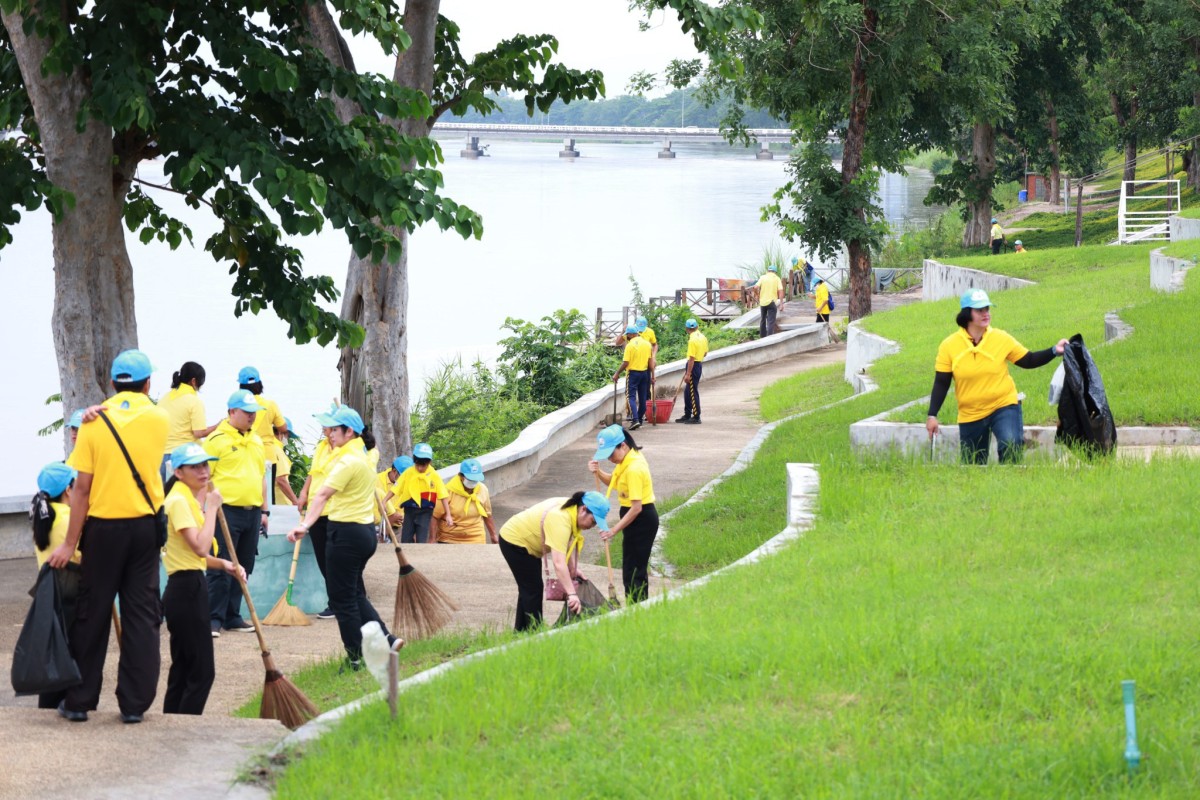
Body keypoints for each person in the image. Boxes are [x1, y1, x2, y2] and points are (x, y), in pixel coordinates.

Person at [48, 349, 169, 724]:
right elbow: (141, 416)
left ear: (113, 382)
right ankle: (134, 705)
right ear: (148, 383)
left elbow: (80, 489)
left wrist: (70, 542)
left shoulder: (94, 423)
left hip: (102, 530)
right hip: (145, 529)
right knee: (141, 614)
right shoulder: (160, 419)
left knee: (92, 613)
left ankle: (80, 701)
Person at [287, 406, 403, 669]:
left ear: (349, 432)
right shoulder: (367, 455)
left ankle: (355, 657)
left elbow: (322, 495)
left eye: (334, 429)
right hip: (364, 534)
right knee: (353, 593)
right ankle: (387, 638)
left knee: (342, 600)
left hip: (345, 534)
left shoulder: (347, 461)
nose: (329, 434)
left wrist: (304, 525)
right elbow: (370, 448)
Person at [926, 289, 1068, 465]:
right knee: (973, 466)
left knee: (1010, 444)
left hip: (1003, 405)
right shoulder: (949, 345)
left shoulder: (1001, 338)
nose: (986, 314)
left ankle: (1011, 486)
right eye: (980, 310)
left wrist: (1054, 350)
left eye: (987, 309)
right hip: (971, 412)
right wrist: (932, 415)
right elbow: (942, 382)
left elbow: (1028, 360)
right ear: (967, 314)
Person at [161, 443, 243, 715]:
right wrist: (210, 508)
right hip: (185, 591)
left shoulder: (185, 499)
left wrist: (226, 565)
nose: (203, 471)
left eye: (205, 465)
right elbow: (199, 546)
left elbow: (198, 556)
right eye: (195, 466)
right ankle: (185, 727)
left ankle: (172, 724)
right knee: (202, 672)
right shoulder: (178, 501)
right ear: (179, 472)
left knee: (184, 668)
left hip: (190, 585)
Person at [202, 389, 268, 636]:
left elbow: (261, 477)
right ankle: (213, 618)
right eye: (247, 412)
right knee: (221, 566)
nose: (252, 417)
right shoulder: (216, 439)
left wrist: (265, 511)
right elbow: (203, 476)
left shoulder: (257, 440)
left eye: (254, 413)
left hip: (251, 512)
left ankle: (232, 615)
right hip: (224, 511)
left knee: (244, 565)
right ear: (231, 412)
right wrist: (203, 510)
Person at [497, 491, 610, 631]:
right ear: (583, 509)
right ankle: (535, 634)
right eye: (593, 521)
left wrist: (573, 569)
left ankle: (521, 631)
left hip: (527, 542)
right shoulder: (560, 519)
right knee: (533, 588)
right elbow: (558, 563)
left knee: (529, 588)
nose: (592, 526)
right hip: (514, 541)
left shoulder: (572, 510)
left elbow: (567, 542)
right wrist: (572, 594)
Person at [30, 461, 81, 710]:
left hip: (48, 592)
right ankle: (68, 704)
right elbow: (83, 555)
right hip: (71, 592)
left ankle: (48, 708)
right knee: (72, 652)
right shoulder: (70, 518)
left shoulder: (43, 517)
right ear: (69, 490)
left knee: (54, 652)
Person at [588, 425, 658, 602]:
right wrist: (598, 472)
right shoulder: (625, 461)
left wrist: (612, 531)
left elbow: (636, 508)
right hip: (632, 516)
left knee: (635, 570)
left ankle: (638, 609)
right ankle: (635, 606)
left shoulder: (634, 468)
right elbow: (614, 481)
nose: (610, 458)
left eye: (612, 453)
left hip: (641, 520)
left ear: (623, 445)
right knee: (630, 567)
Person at [297, 422, 337, 619]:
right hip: (316, 511)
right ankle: (334, 601)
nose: (324, 430)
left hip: (334, 510)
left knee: (336, 559)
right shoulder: (321, 447)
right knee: (323, 559)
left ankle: (349, 599)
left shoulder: (344, 451)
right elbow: (313, 473)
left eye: (328, 427)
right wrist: (304, 492)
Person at [158, 361, 218, 480]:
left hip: (161, 456)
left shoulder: (165, 398)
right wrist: (218, 426)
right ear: (194, 381)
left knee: (166, 497)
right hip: (183, 458)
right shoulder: (193, 401)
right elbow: (199, 433)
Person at [238, 366, 286, 493]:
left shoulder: (237, 406)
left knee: (248, 492)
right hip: (267, 455)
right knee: (268, 495)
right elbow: (283, 427)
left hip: (246, 454)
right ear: (259, 384)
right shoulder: (270, 405)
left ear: (241, 387)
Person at [393, 443, 452, 543]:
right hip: (409, 510)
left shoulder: (434, 475)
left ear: (429, 463)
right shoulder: (408, 472)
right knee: (406, 539)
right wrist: (384, 500)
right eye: (417, 465)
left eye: (423, 465)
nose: (420, 468)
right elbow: (396, 487)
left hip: (425, 511)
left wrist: (448, 514)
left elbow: (443, 495)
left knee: (421, 538)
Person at [433, 458, 498, 544]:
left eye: (475, 480)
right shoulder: (447, 491)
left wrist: (493, 535)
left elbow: (487, 515)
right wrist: (432, 539)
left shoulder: (483, 490)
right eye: (470, 479)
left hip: (476, 535)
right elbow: (435, 516)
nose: (473, 482)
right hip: (450, 537)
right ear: (461, 476)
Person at [613, 324, 652, 429]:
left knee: (630, 397)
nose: (627, 337)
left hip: (633, 374)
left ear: (631, 334)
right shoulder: (647, 344)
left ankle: (635, 420)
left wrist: (617, 373)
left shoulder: (630, 345)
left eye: (628, 335)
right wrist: (652, 375)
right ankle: (639, 419)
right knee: (643, 397)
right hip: (645, 373)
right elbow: (650, 361)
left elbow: (626, 362)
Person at [675, 318, 708, 425]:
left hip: (693, 366)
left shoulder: (692, 340)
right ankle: (687, 414)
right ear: (697, 327)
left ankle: (696, 416)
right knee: (687, 391)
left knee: (693, 392)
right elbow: (705, 353)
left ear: (687, 329)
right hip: (698, 365)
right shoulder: (702, 337)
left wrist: (688, 373)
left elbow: (691, 358)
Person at [376, 454, 411, 535]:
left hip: (400, 526)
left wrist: (402, 517)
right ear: (394, 471)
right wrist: (393, 516)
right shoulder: (377, 480)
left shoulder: (409, 483)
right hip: (381, 524)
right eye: (403, 477)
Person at [272, 417, 300, 506]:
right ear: (281, 432)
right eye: (288, 435)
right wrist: (295, 501)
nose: (287, 439)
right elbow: (281, 479)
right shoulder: (276, 450)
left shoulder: (267, 448)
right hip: (280, 504)